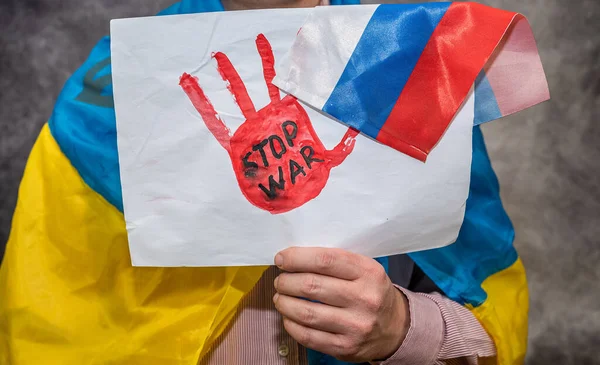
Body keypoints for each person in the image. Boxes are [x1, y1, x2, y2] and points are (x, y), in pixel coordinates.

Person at [0, 1, 528, 364]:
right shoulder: (108, 97)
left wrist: (402, 328)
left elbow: (486, 313)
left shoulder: (411, 54)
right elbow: (53, 326)